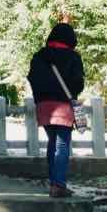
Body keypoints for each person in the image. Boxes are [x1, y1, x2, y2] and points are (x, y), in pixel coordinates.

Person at [27, 23, 85, 198]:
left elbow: (32, 78)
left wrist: (42, 95)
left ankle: (54, 182)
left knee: (53, 143)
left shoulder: (39, 56)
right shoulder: (73, 57)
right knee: (62, 144)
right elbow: (78, 83)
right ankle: (58, 185)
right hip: (63, 106)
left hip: (44, 106)